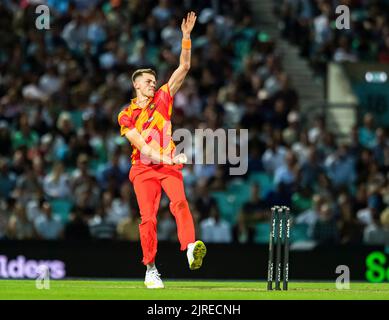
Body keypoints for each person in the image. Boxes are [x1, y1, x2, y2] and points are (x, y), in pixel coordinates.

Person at [117, 12, 206, 289]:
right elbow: (142, 148)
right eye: (147, 81)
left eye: (154, 81)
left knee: (180, 203)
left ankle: (190, 247)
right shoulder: (126, 115)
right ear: (136, 85)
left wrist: (186, 38)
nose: (152, 84)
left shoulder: (163, 98)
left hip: (167, 166)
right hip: (143, 169)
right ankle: (151, 268)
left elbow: (184, 67)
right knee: (148, 219)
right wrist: (171, 156)